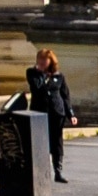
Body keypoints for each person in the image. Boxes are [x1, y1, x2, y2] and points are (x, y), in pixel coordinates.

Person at [26, 48, 75, 183]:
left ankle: (58, 171)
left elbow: (65, 96)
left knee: (57, 142)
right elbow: (37, 87)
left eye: (44, 59)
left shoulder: (59, 76)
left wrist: (70, 114)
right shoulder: (32, 73)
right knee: (40, 142)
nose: (41, 62)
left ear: (51, 61)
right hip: (39, 112)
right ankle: (41, 171)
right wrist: (41, 74)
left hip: (56, 112)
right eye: (39, 59)